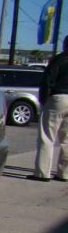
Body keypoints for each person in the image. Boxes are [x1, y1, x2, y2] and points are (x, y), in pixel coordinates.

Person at [30, 35, 68, 182]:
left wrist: (44, 99)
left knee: (47, 136)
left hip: (58, 98)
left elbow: (47, 80)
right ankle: (64, 173)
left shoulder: (60, 60)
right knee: (66, 139)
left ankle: (42, 172)